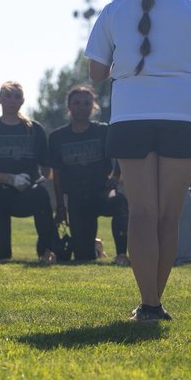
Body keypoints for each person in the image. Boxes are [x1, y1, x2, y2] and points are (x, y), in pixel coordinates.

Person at [86, 0, 191, 321]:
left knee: (142, 213)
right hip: (185, 116)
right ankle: (154, 303)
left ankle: (149, 303)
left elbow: (96, 72)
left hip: (132, 116)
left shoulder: (114, 9)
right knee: (168, 215)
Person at [0, 81, 59, 262]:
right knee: (3, 254)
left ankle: (47, 250)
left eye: (17, 96)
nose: (12, 100)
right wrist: (9, 179)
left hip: (28, 192)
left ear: (23, 101)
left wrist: (39, 180)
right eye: (7, 96)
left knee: (41, 195)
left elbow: (46, 168)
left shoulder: (35, 129)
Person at [48, 84, 129, 263]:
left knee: (120, 202)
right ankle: (94, 246)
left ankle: (122, 254)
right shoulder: (58, 137)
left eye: (86, 103)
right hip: (77, 198)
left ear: (93, 106)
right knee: (83, 257)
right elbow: (57, 175)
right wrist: (61, 207)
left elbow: (121, 154)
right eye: (77, 103)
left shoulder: (103, 131)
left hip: (101, 192)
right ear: (69, 107)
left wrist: (116, 176)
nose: (82, 107)